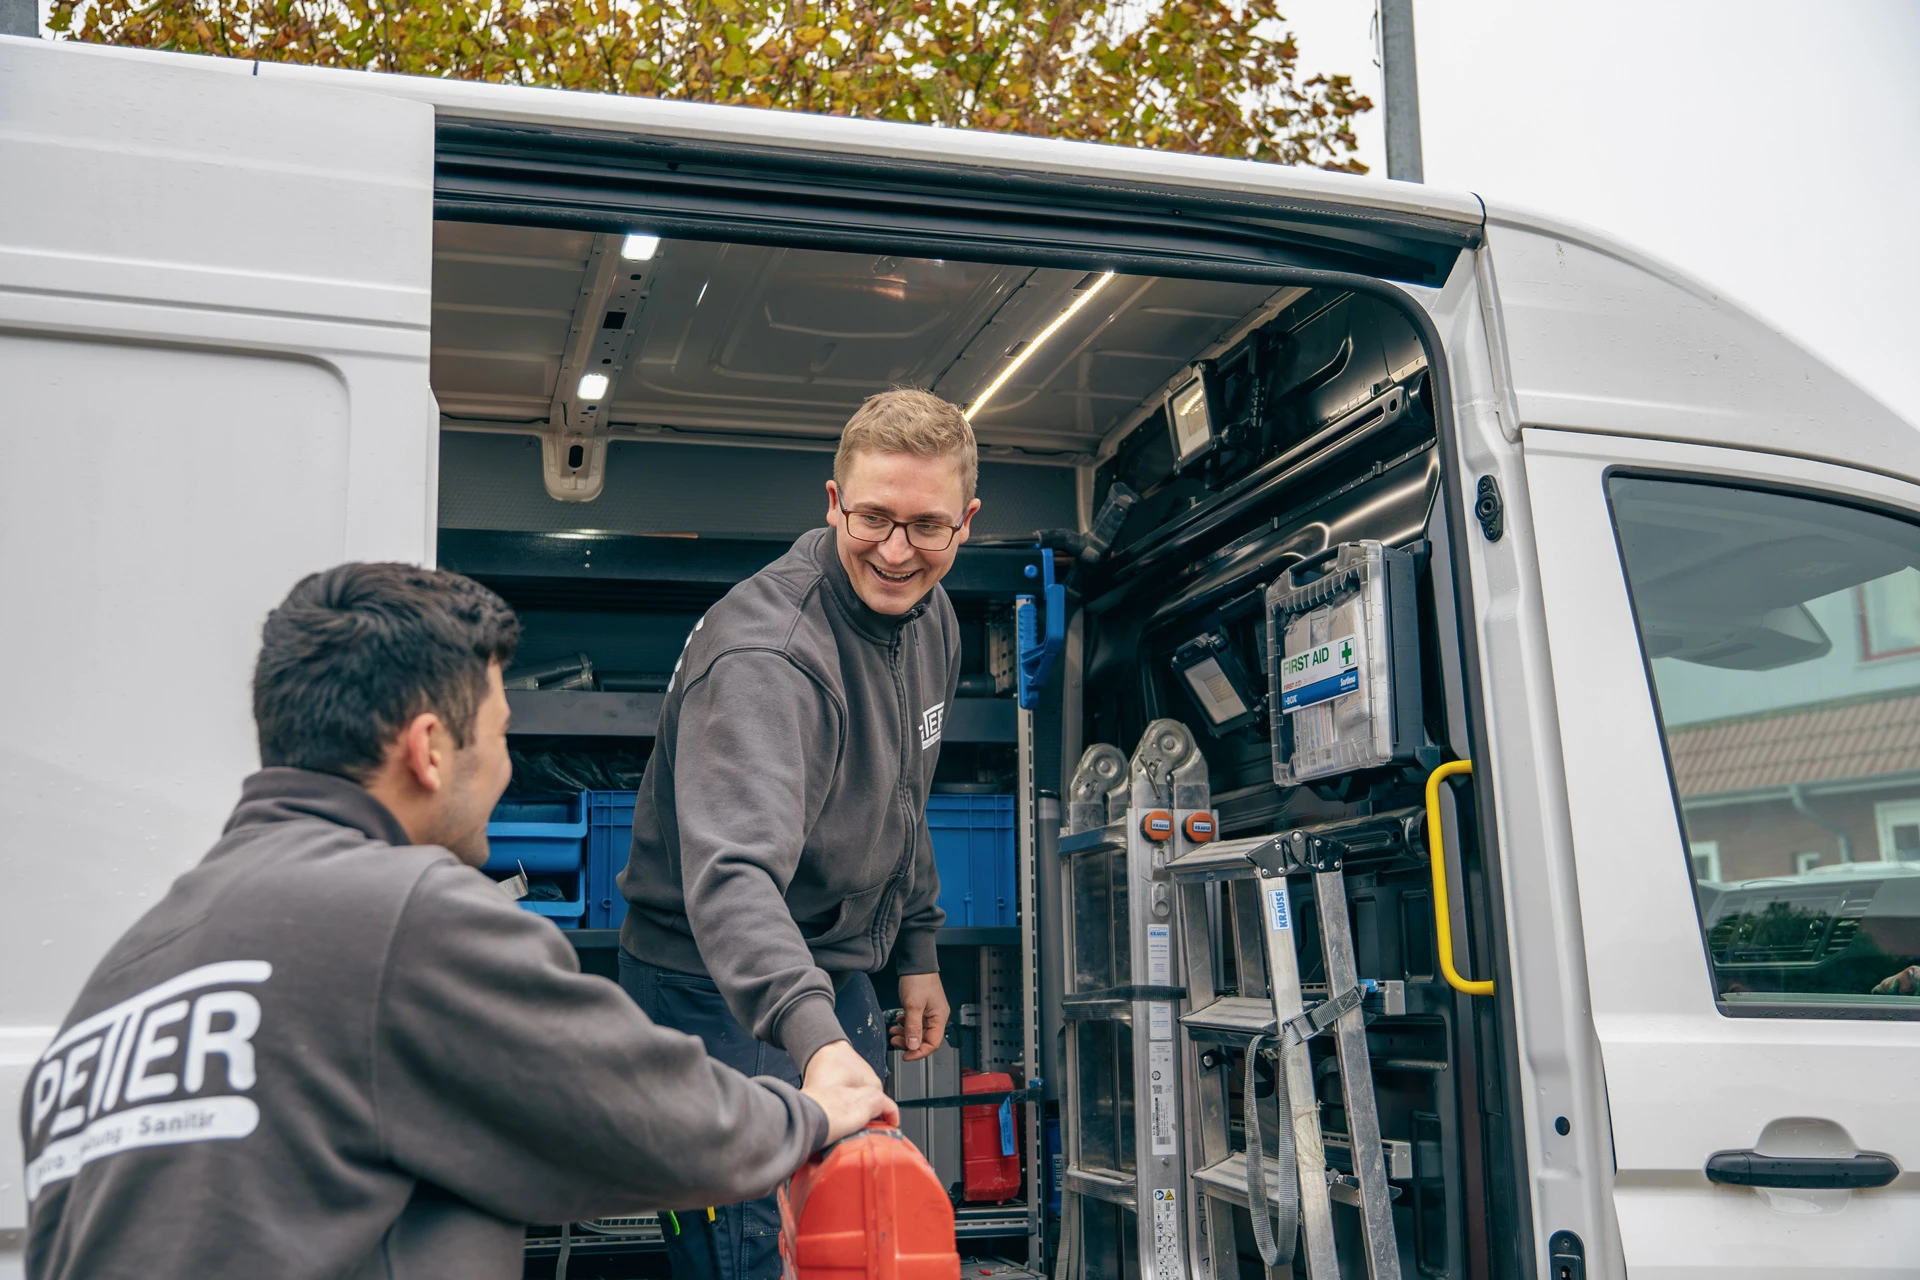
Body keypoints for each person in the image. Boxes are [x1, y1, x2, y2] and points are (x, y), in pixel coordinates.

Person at [17, 564, 893, 1280]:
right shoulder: (404, 914)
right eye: (501, 735)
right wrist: (812, 1110)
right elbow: (644, 1119)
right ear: (430, 749)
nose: (506, 770)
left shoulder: (128, 971)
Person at [617, 387, 981, 1280]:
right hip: (713, 983)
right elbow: (732, 878)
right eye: (873, 518)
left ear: (965, 523)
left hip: (830, 969)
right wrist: (815, 1040)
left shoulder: (931, 616)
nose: (896, 552)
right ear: (832, 503)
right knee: (752, 1252)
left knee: (852, 1231)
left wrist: (916, 948)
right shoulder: (769, 655)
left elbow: (903, 792)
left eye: (927, 526)